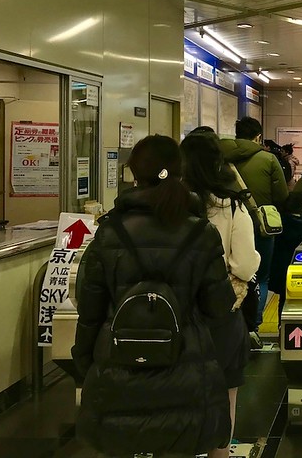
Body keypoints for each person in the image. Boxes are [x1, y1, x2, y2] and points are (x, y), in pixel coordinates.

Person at [72, 135, 234, 456]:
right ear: (179, 171)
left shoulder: (109, 232)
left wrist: (86, 364)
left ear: (134, 174)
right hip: (187, 369)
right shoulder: (201, 232)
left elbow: (89, 309)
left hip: (119, 366)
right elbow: (220, 307)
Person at [180, 133, 260, 458]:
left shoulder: (166, 205)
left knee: (177, 394)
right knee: (225, 392)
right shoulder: (230, 206)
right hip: (220, 315)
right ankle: (220, 453)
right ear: (219, 164)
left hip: (176, 315)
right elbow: (243, 264)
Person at [219, 117, 289, 335]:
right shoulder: (268, 159)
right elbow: (282, 195)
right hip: (260, 225)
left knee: (229, 273)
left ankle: (231, 321)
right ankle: (253, 327)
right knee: (261, 276)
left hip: (226, 222)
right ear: (258, 136)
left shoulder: (221, 158)